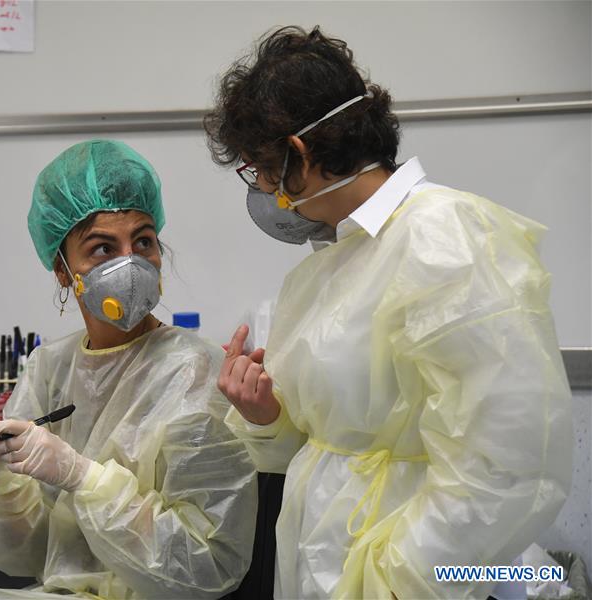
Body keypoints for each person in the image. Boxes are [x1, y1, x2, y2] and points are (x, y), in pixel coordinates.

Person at [203, 26, 573, 599]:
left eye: (262, 171)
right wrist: (266, 412)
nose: (266, 192)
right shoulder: (327, 267)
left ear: (298, 155)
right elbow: (322, 439)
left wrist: (398, 580)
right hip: (327, 567)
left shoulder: (444, 238)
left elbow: (506, 467)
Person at [0, 139, 258, 599]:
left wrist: (83, 477)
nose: (129, 262)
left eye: (143, 241)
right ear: (63, 271)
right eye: (103, 249)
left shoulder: (196, 371)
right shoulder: (50, 367)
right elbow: (22, 554)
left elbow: (205, 567)